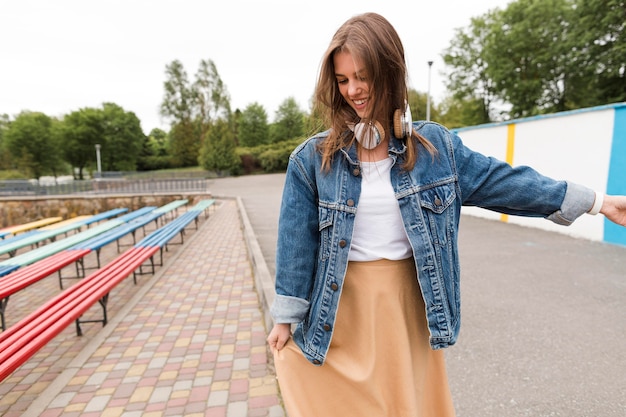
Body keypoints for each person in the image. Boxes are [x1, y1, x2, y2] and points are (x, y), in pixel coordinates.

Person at [266, 12, 626, 417]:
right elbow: (296, 244)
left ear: (390, 71)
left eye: (363, 76)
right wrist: (285, 319)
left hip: (407, 308)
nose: (354, 90)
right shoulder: (312, 160)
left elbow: (505, 182)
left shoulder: (436, 149)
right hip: (343, 311)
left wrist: (597, 201)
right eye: (343, 79)